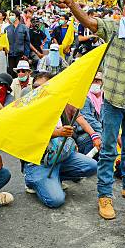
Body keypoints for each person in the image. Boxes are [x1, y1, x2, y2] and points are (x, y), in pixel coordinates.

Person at [57, 0, 125, 220]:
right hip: (114, 99)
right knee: (109, 150)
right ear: (123, 9)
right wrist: (72, 4)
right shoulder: (114, 28)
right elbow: (90, 22)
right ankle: (104, 197)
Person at [24, 75, 97, 208]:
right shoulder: (28, 108)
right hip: (39, 163)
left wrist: (93, 135)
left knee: (92, 166)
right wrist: (56, 133)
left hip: (61, 156)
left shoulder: (60, 104)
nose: (38, 90)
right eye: (35, 87)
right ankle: (31, 180)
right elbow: (28, 135)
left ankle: (57, 177)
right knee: (56, 200)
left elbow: (77, 119)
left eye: (43, 87)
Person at [5, 10, 32, 75]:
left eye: (12, 15)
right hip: (10, 54)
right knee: (11, 72)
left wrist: (26, 54)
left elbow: (27, 42)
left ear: (17, 17)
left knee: (21, 73)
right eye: (10, 15)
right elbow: (5, 42)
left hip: (21, 55)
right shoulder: (7, 29)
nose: (10, 17)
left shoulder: (24, 28)